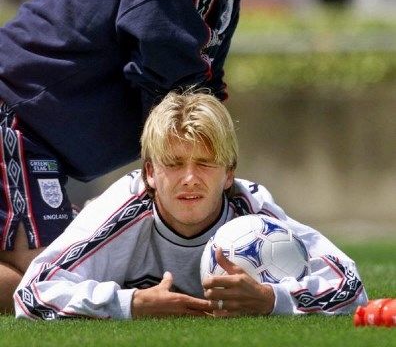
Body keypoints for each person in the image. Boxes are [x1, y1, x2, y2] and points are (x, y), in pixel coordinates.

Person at [0, 0, 312, 312]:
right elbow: (173, 87)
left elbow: (188, 86)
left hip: (32, 122)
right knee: (43, 283)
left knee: (64, 276)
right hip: (17, 116)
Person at [14, 91, 367, 320]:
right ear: (150, 172)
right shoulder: (121, 211)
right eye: (173, 163)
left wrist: (271, 299)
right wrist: (131, 304)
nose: (189, 178)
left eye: (204, 163)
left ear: (229, 173)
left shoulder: (252, 209)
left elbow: (349, 284)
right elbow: (30, 294)